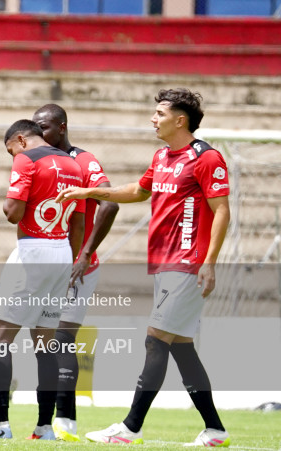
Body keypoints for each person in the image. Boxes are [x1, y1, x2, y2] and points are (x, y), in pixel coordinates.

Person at [57, 88, 231, 447]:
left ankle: (130, 427)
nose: (153, 118)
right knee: (181, 346)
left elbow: (222, 210)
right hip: (165, 263)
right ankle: (214, 430)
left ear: (180, 120)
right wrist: (89, 193)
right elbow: (138, 190)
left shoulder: (206, 157)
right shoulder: (163, 156)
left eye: (160, 113)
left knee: (155, 340)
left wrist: (209, 262)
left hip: (186, 262)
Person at [0, 119, 85, 440]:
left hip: (32, 252)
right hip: (62, 252)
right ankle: (45, 427)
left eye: (10, 151)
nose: (11, 157)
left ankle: (0, 425)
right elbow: (79, 224)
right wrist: (71, 261)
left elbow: (12, 212)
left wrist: (16, 198)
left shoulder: (27, 159)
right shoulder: (73, 163)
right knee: (45, 345)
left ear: (20, 140)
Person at [31, 103, 119, 441]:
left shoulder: (83, 160)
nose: (40, 133)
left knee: (62, 340)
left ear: (62, 127)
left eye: (46, 127)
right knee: (46, 343)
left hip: (76, 269)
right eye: (36, 128)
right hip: (50, 266)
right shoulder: (45, 161)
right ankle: (52, 424)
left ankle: (65, 422)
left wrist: (84, 253)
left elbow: (109, 203)